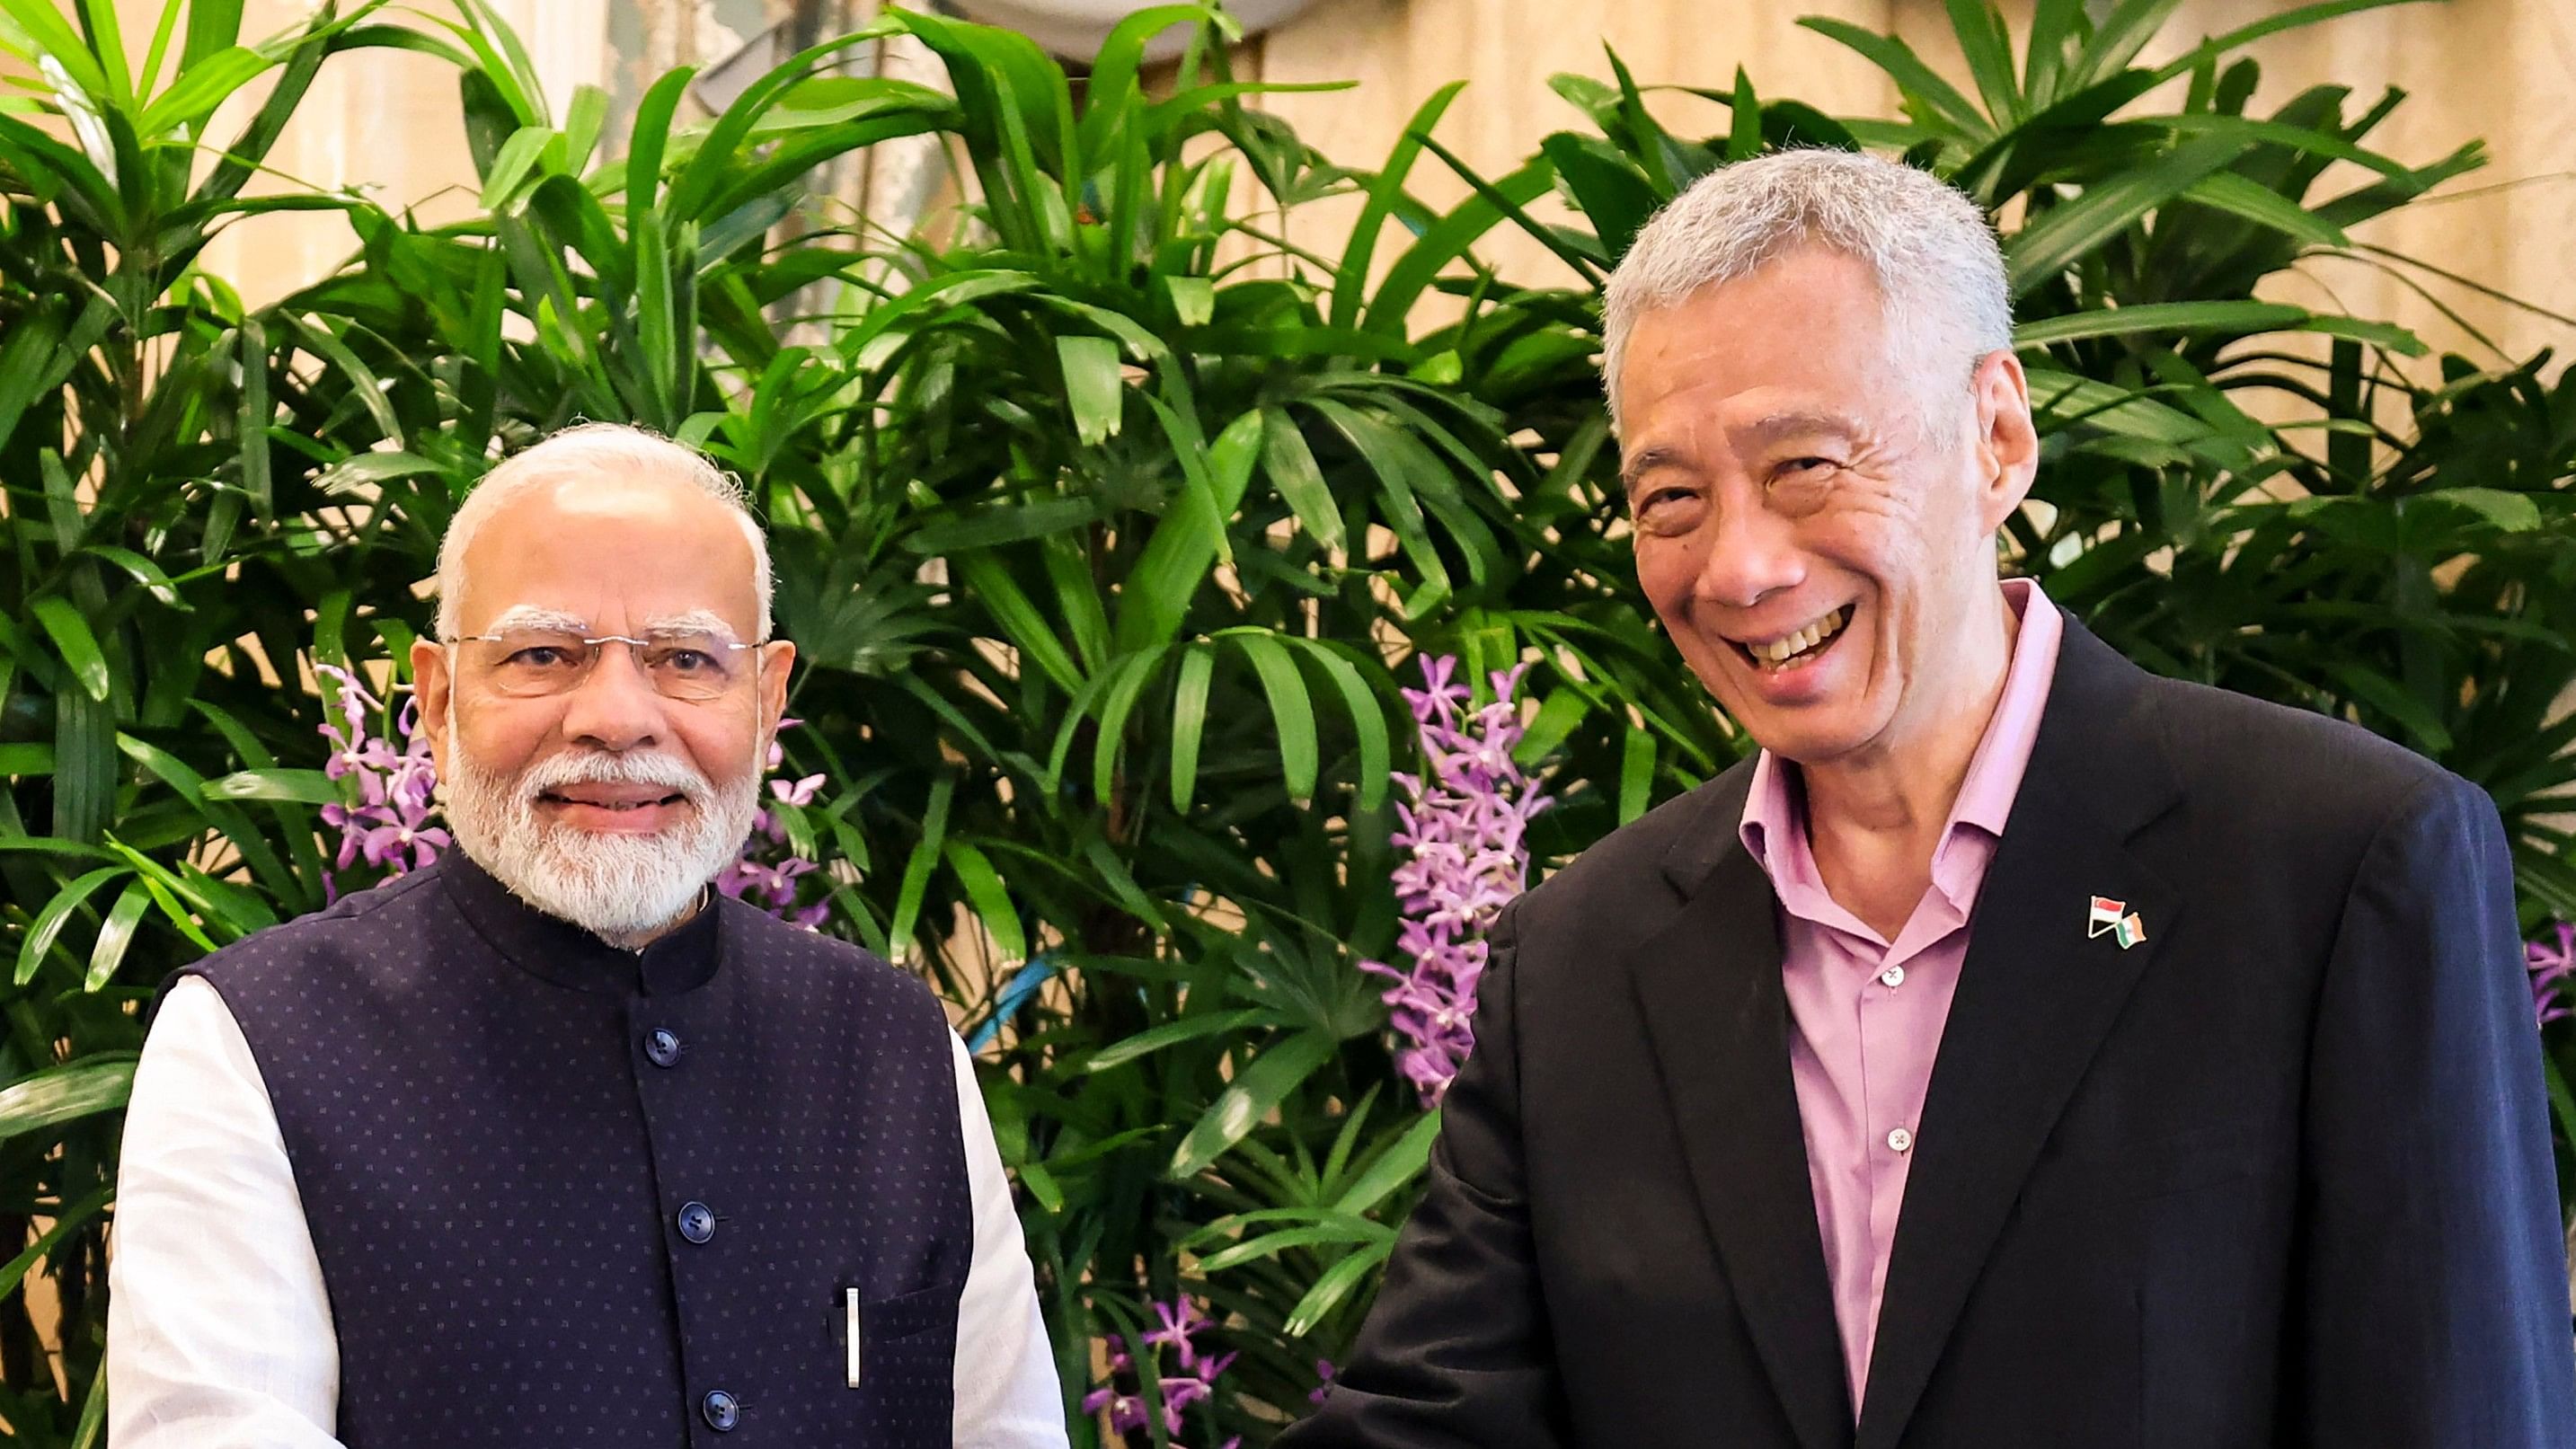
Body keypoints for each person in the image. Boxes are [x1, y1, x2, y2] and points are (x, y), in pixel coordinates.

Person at [1285, 150, 2575, 1449]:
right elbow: (1427, 1426)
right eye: (1668, 498)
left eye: (1802, 464)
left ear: (1996, 438)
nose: (1735, 567)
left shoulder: (2333, 864)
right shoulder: (1579, 958)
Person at [108, 424, 1068, 1447]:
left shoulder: (892, 1041)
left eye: (687, 658)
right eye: (542, 653)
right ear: (436, 700)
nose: (616, 716)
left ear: (767, 696)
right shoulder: (254, 1041)